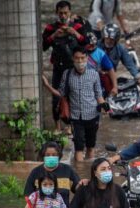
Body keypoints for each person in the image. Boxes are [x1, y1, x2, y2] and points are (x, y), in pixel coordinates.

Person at [42, 46, 111, 162]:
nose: (80, 62)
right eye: (77, 58)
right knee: (79, 147)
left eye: (82, 58)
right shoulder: (67, 74)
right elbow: (61, 93)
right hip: (76, 117)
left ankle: (90, 170)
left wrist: (104, 105)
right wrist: (47, 85)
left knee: (90, 147)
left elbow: (99, 95)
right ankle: (79, 172)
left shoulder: (94, 74)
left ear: (87, 58)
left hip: (92, 116)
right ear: (73, 59)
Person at [42, 0, 89, 132]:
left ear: (70, 13)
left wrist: (74, 32)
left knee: (72, 95)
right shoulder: (50, 28)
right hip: (58, 66)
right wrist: (54, 35)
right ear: (57, 13)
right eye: (60, 13)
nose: (63, 15)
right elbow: (43, 46)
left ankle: (69, 125)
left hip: (73, 68)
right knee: (56, 96)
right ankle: (57, 126)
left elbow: (86, 44)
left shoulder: (78, 26)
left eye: (65, 13)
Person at [85, 32, 118, 97]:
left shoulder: (100, 53)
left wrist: (115, 87)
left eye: (93, 45)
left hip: (97, 83)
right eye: (89, 46)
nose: (91, 48)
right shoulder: (79, 53)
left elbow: (110, 69)